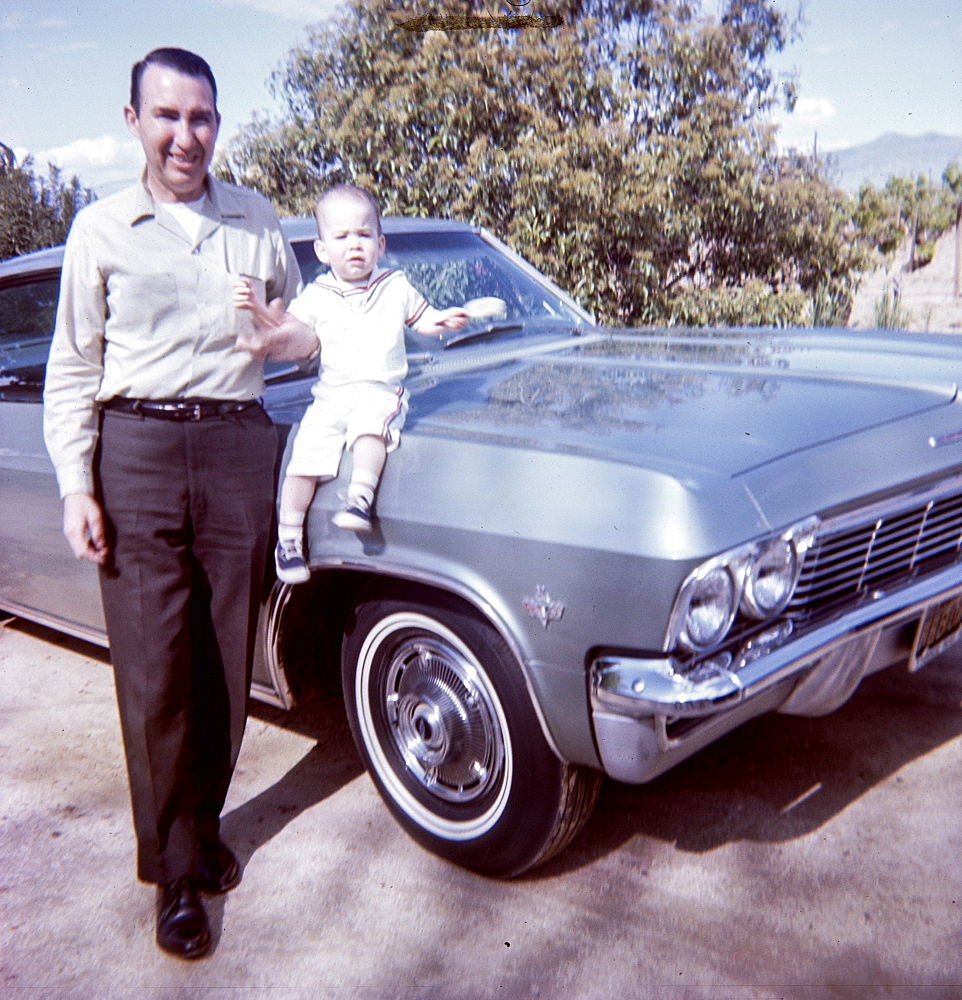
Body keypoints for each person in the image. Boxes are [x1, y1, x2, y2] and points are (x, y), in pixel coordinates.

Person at [43, 48, 314, 960]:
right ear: (133, 121)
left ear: (217, 124)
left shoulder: (255, 218)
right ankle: (175, 876)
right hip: (140, 450)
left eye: (201, 117)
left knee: (224, 661)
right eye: (166, 116)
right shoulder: (100, 230)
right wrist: (78, 483)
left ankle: (198, 826)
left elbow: (300, 334)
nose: (185, 135)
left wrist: (288, 334)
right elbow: (74, 367)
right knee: (157, 671)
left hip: (237, 441)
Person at [234, 184, 469, 585]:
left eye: (363, 235)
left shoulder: (394, 285)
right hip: (330, 395)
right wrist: (256, 308)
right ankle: (289, 541)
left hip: (379, 388)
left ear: (380, 244)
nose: (354, 246)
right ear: (323, 250)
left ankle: (359, 499)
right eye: (341, 237)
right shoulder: (317, 294)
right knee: (302, 461)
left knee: (370, 428)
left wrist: (443, 320)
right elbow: (287, 328)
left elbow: (422, 318)